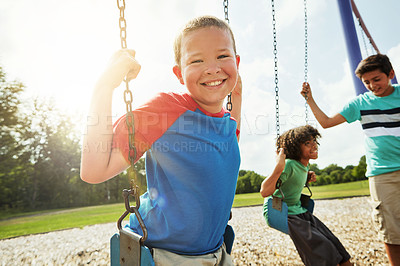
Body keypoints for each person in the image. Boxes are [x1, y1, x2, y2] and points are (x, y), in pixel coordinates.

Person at [80, 15, 242, 265]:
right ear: (179, 73)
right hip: (167, 257)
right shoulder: (165, 110)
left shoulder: (228, 123)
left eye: (222, 56)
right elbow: (93, 170)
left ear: (236, 62)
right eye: (197, 60)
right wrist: (104, 85)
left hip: (217, 253)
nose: (212, 68)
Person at [301, 54, 400, 265]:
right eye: (367, 82)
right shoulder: (361, 103)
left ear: (391, 74)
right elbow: (326, 122)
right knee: (390, 229)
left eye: (377, 79)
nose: (373, 85)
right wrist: (310, 99)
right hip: (382, 174)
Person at [260, 125, 352, 266]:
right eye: (307, 143)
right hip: (284, 213)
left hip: (300, 211)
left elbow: (291, 182)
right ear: (295, 148)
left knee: (336, 247)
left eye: (314, 141)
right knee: (323, 250)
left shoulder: (304, 166)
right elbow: (265, 191)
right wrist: (278, 168)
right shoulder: (288, 165)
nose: (314, 145)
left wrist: (306, 178)